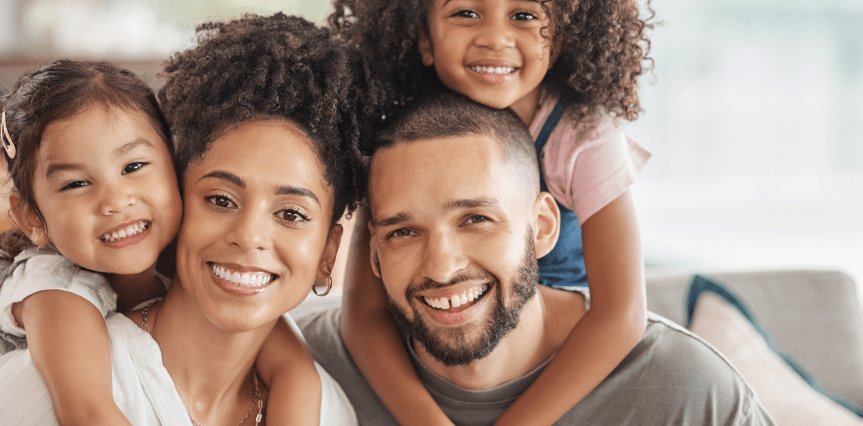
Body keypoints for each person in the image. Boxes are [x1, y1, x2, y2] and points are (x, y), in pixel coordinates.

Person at [0, 13, 370, 425]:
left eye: (292, 213)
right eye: (220, 199)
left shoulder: (324, 409)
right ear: (180, 198)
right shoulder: (44, 384)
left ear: (327, 253)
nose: (249, 236)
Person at [299, 92, 776, 425]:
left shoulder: (683, 391)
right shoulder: (302, 369)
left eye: (476, 219)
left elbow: (621, 313)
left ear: (543, 226)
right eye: (403, 232)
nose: (442, 267)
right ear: (374, 254)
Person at [326, 0, 655, 424]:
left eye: (524, 15)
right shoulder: (400, 144)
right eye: (466, 12)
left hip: (557, 359)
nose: (496, 38)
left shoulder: (584, 137)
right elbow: (363, 314)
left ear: (560, 38)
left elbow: (622, 314)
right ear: (423, 37)